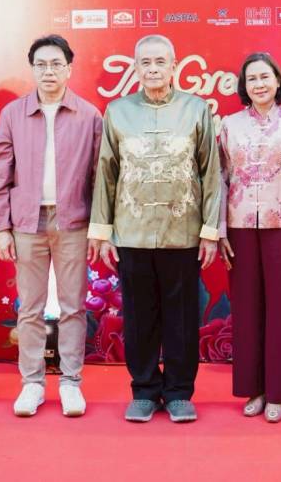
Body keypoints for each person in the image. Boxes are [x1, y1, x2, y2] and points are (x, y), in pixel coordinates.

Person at [89, 34, 221, 423]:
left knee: (182, 318)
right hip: (132, 232)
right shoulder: (118, 112)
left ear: (174, 66)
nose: (152, 69)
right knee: (139, 317)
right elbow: (106, 172)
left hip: (183, 232)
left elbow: (211, 172)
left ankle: (179, 392)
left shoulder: (196, 109)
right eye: (145, 62)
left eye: (160, 61)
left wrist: (209, 231)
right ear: (135, 68)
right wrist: (102, 231)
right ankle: (144, 390)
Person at [0, 35, 103, 417]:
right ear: (33, 69)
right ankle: (32, 384)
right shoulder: (13, 114)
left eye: (56, 64)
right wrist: (3, 227)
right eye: (41, 64)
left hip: (73, 220)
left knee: (73, 307)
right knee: (30, 308)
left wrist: (98, 228)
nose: (49, 71)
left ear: (69, 68)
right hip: (27, 221)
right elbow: (1, 173)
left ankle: (71, 383)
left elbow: (99, 177)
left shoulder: (89, 115)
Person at [218, 52, 281, 423]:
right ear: (243, 87)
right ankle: (255, 389)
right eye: (252, 79)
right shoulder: (228, 126)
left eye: (265, 77)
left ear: (277, 81)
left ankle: (279, 391)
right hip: (240, 227)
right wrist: (219, 230)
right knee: (246, 311)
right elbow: (220, 180)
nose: (259, 84)